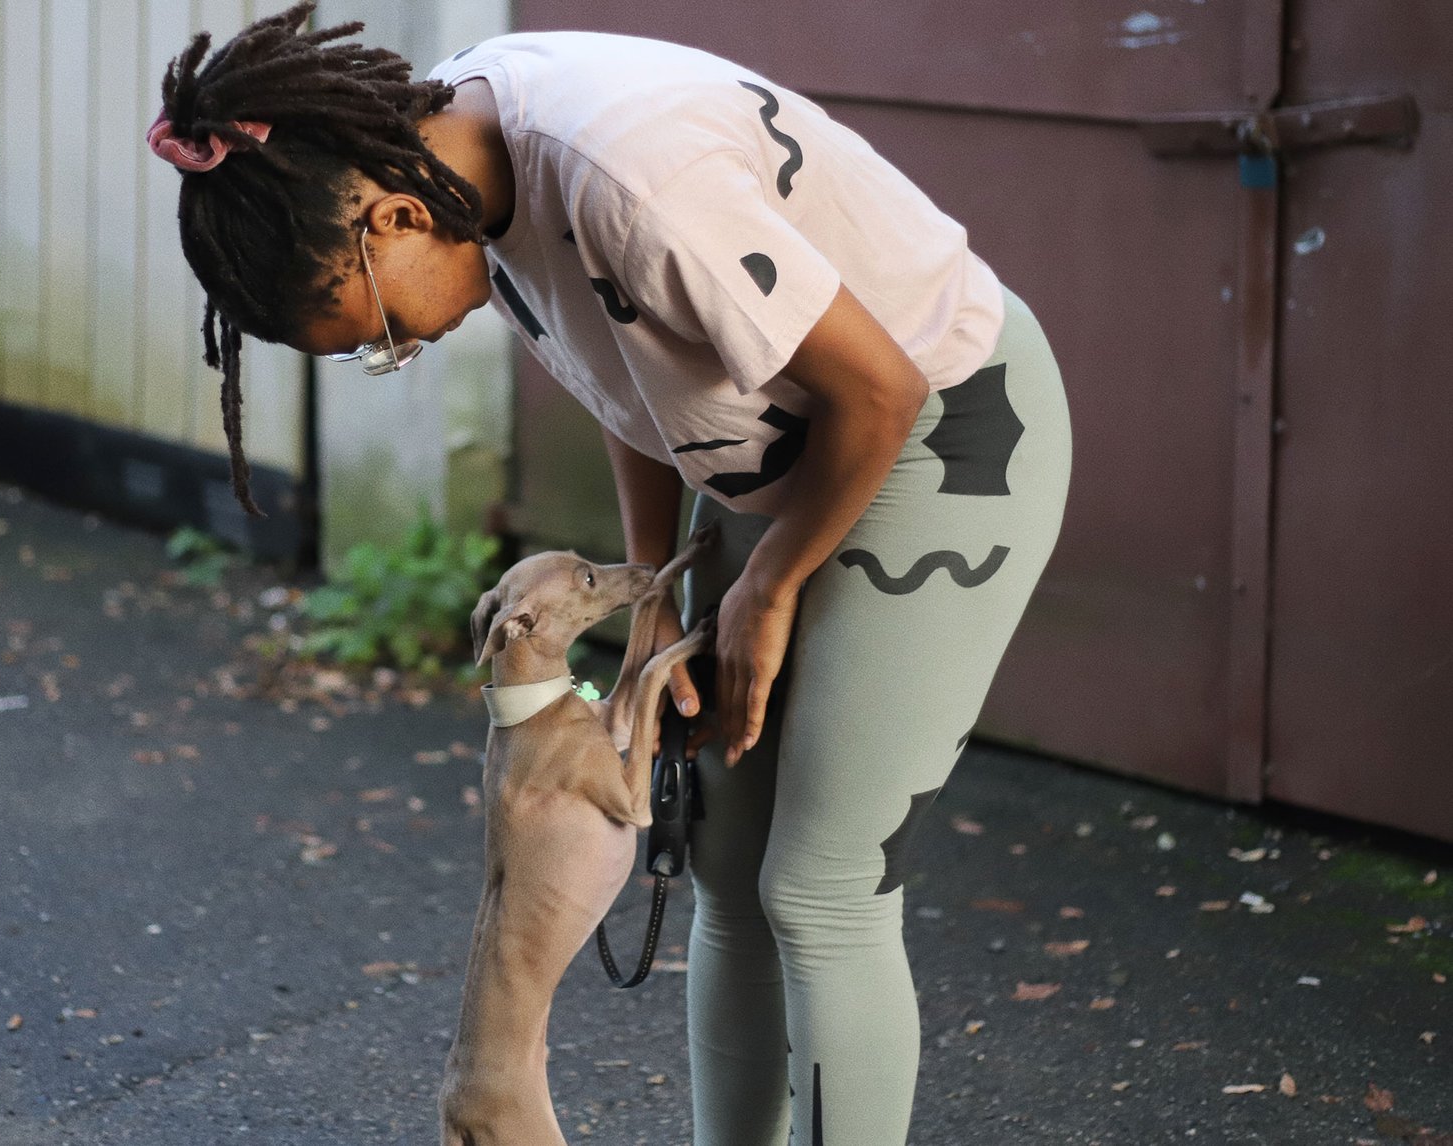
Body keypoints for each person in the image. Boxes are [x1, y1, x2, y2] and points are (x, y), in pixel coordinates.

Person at [147, 4, 1072, 1142]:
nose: (404, 350)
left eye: (377, 333)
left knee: (821, 889)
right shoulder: (451, 161)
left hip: (941, 438)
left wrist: (767, 586)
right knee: (728, 869)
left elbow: (880, 394)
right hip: (775, 466)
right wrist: (656, 591)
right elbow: (622, 369)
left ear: (392, 219)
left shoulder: (627, 174)